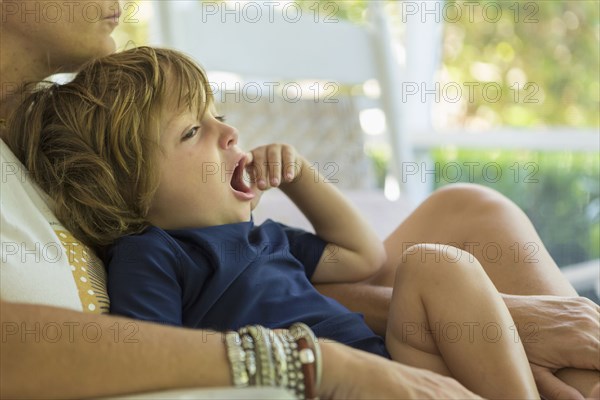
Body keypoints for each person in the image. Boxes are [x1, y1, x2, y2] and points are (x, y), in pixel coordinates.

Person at [0, 1, 597, 398]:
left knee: (443, 255)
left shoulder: (258, 236)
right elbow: (150, 366)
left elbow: (358, 256)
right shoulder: (151, 255)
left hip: (386, 361)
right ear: (125, 190)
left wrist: (301, 177)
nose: (228, 133)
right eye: (191, 133)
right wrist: (308, 364)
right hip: (336, 378)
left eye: (219, 116)